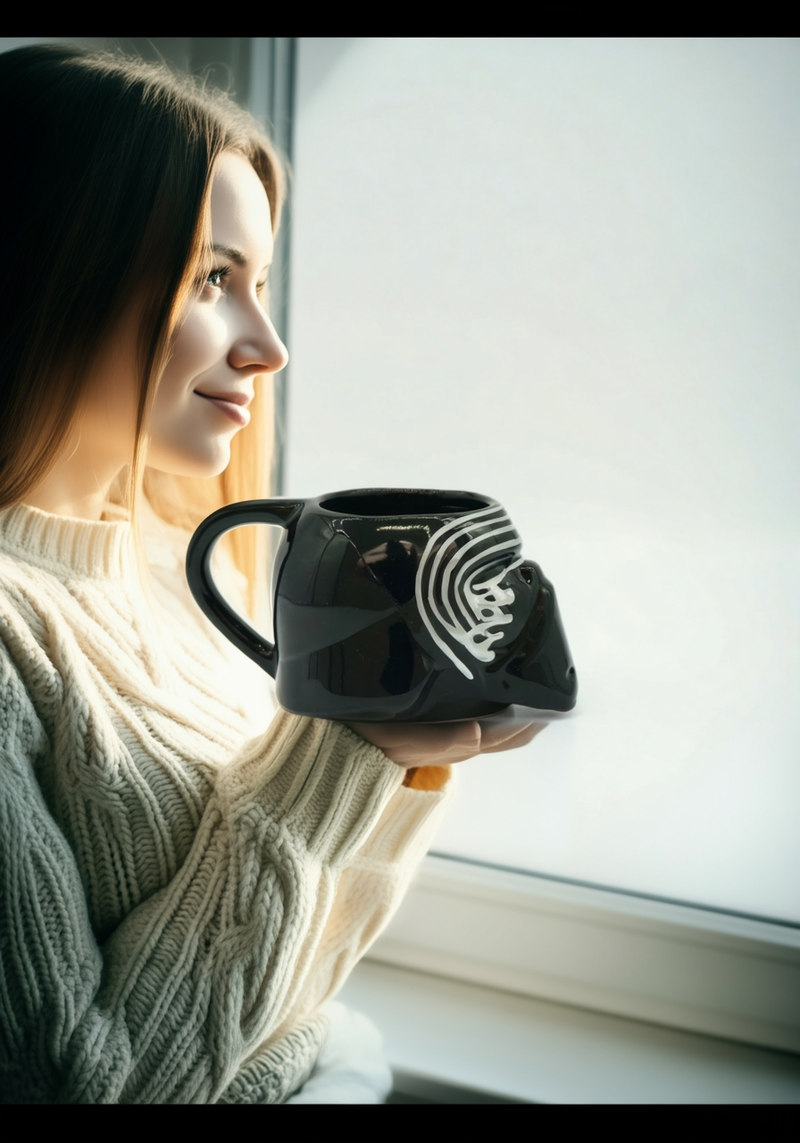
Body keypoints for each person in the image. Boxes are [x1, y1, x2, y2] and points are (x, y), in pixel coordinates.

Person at [0, 43, 540, 1104]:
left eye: (260, 284)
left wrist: (395, 757)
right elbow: (84, 1088)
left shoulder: (180, 575)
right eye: (212, 279)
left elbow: (294, 979)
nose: (268, 345)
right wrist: (342, 752)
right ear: (45, 266)